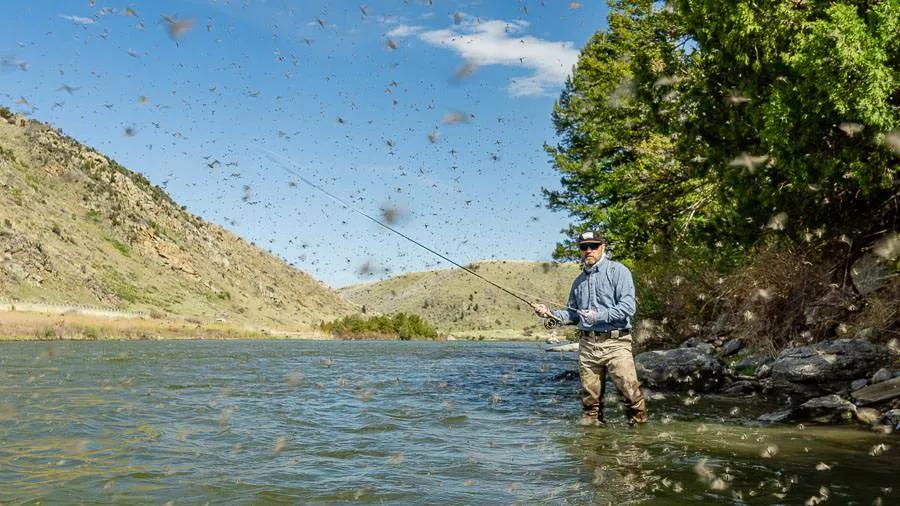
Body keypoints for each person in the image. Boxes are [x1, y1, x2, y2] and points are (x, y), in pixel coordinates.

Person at [532, 230, 648, 425]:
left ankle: (638, 442)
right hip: (587, 346)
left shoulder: (619, 271)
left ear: (602, 247)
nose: (588, 250)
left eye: (593, 246)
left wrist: (599, 316)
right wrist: (549, 314)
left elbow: (629, 307)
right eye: (584, 247)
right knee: (590, 404)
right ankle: (592, 449)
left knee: (631, 397)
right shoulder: (578, 282)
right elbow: (573, 315)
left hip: (616, 344)